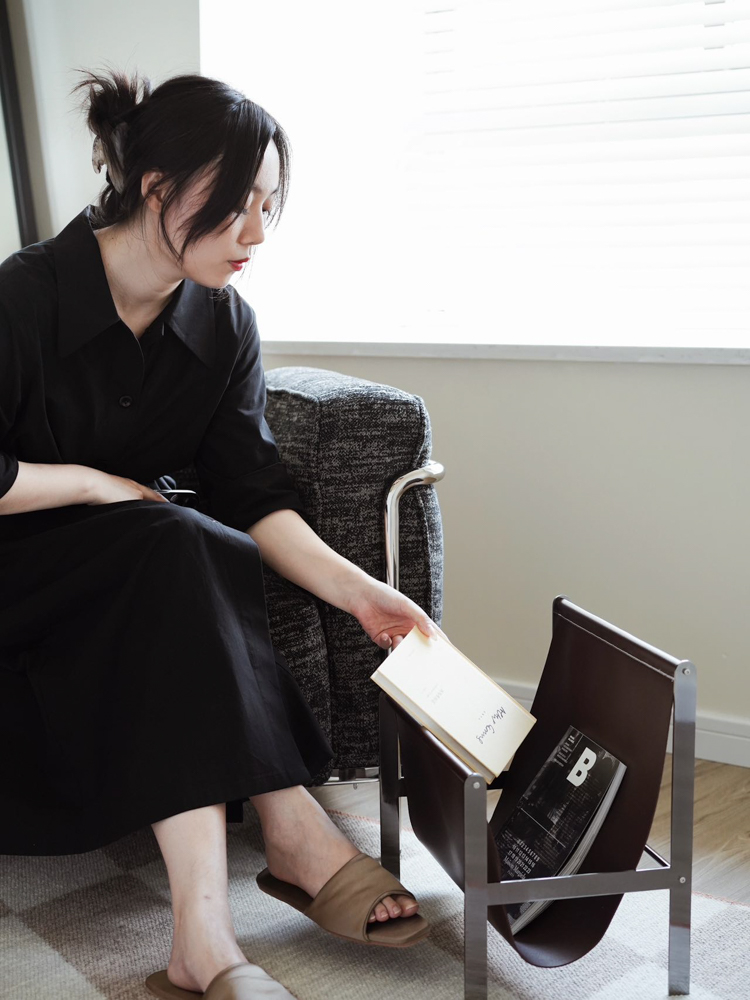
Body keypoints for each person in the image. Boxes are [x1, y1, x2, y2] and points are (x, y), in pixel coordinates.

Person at [0, 68, 448, 1000]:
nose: (256, 233)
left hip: (131, 578)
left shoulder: (226, 324)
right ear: (156, 186)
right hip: (15, 572)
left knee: (188, 539)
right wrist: (93, 484)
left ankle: (204, 939)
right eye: (237, 204)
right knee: (172, 536)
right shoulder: (24, 298)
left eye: (269, 205)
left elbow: (254, 494)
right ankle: (291, 836)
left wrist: (362, 592)